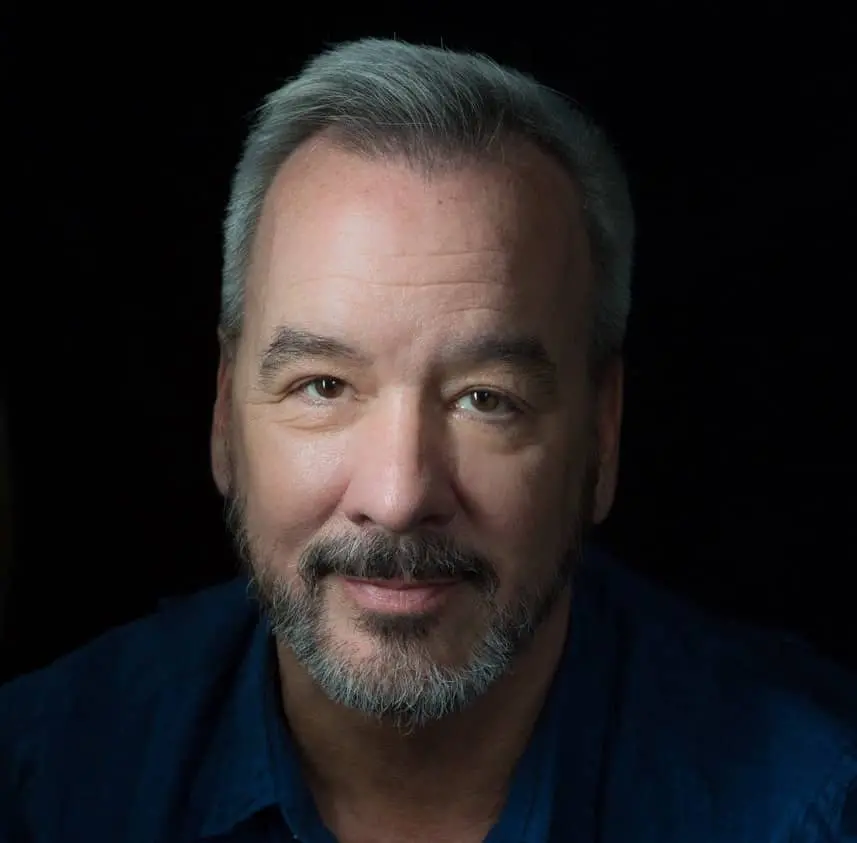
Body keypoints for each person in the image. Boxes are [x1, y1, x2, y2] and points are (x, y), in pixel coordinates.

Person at [2, 36, 856, 843]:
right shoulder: (40, 784)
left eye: (486, 399)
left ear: (601, 434)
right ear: (227, 416)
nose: (399, 493)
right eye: (324, 387)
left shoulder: (815, 804)